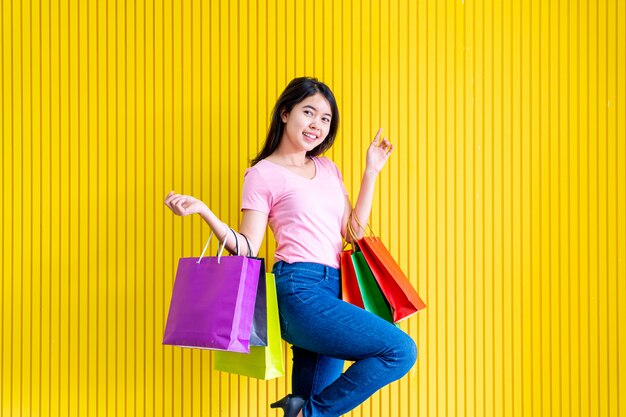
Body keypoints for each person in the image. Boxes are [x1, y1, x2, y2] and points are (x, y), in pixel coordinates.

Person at [164, 77, 417, 417]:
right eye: (308, 112)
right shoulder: (262, 174)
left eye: (325, 119)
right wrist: (205, 212)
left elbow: (353, 234)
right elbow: (248, 246)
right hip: (299, 290)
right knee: (400, 350)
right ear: (285, 113)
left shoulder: (328, 169)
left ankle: (300, 409)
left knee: (315, 394)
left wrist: (371, 172)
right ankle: (304, 413)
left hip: (335, 289)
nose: (316, 125)